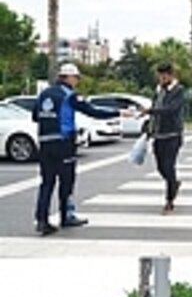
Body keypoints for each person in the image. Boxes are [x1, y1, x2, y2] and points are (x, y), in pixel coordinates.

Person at [31, 63, 124, 235]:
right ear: (69, 77)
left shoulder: (44, 94)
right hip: (63, 143)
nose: (77, 81)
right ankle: (67, 216)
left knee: (47, 183)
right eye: (76, 78)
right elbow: (92, 111)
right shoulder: (70, 95)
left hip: (45, 143)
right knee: (67, 181)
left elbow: (35, 116)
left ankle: (42, 220)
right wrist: (118, 113)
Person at [142, 63, 186, 215]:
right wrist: (149, 128)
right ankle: (173, 183)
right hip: (158, 135)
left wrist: (151, 110)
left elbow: (171, 109)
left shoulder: (178, 90)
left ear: (171, 75)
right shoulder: (158, 90)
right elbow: (155, 111)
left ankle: (169, 201)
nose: (161, 78)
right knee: (160, 167)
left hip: (173, 135)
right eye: (159, 75)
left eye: (164, 75)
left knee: (169, 166)